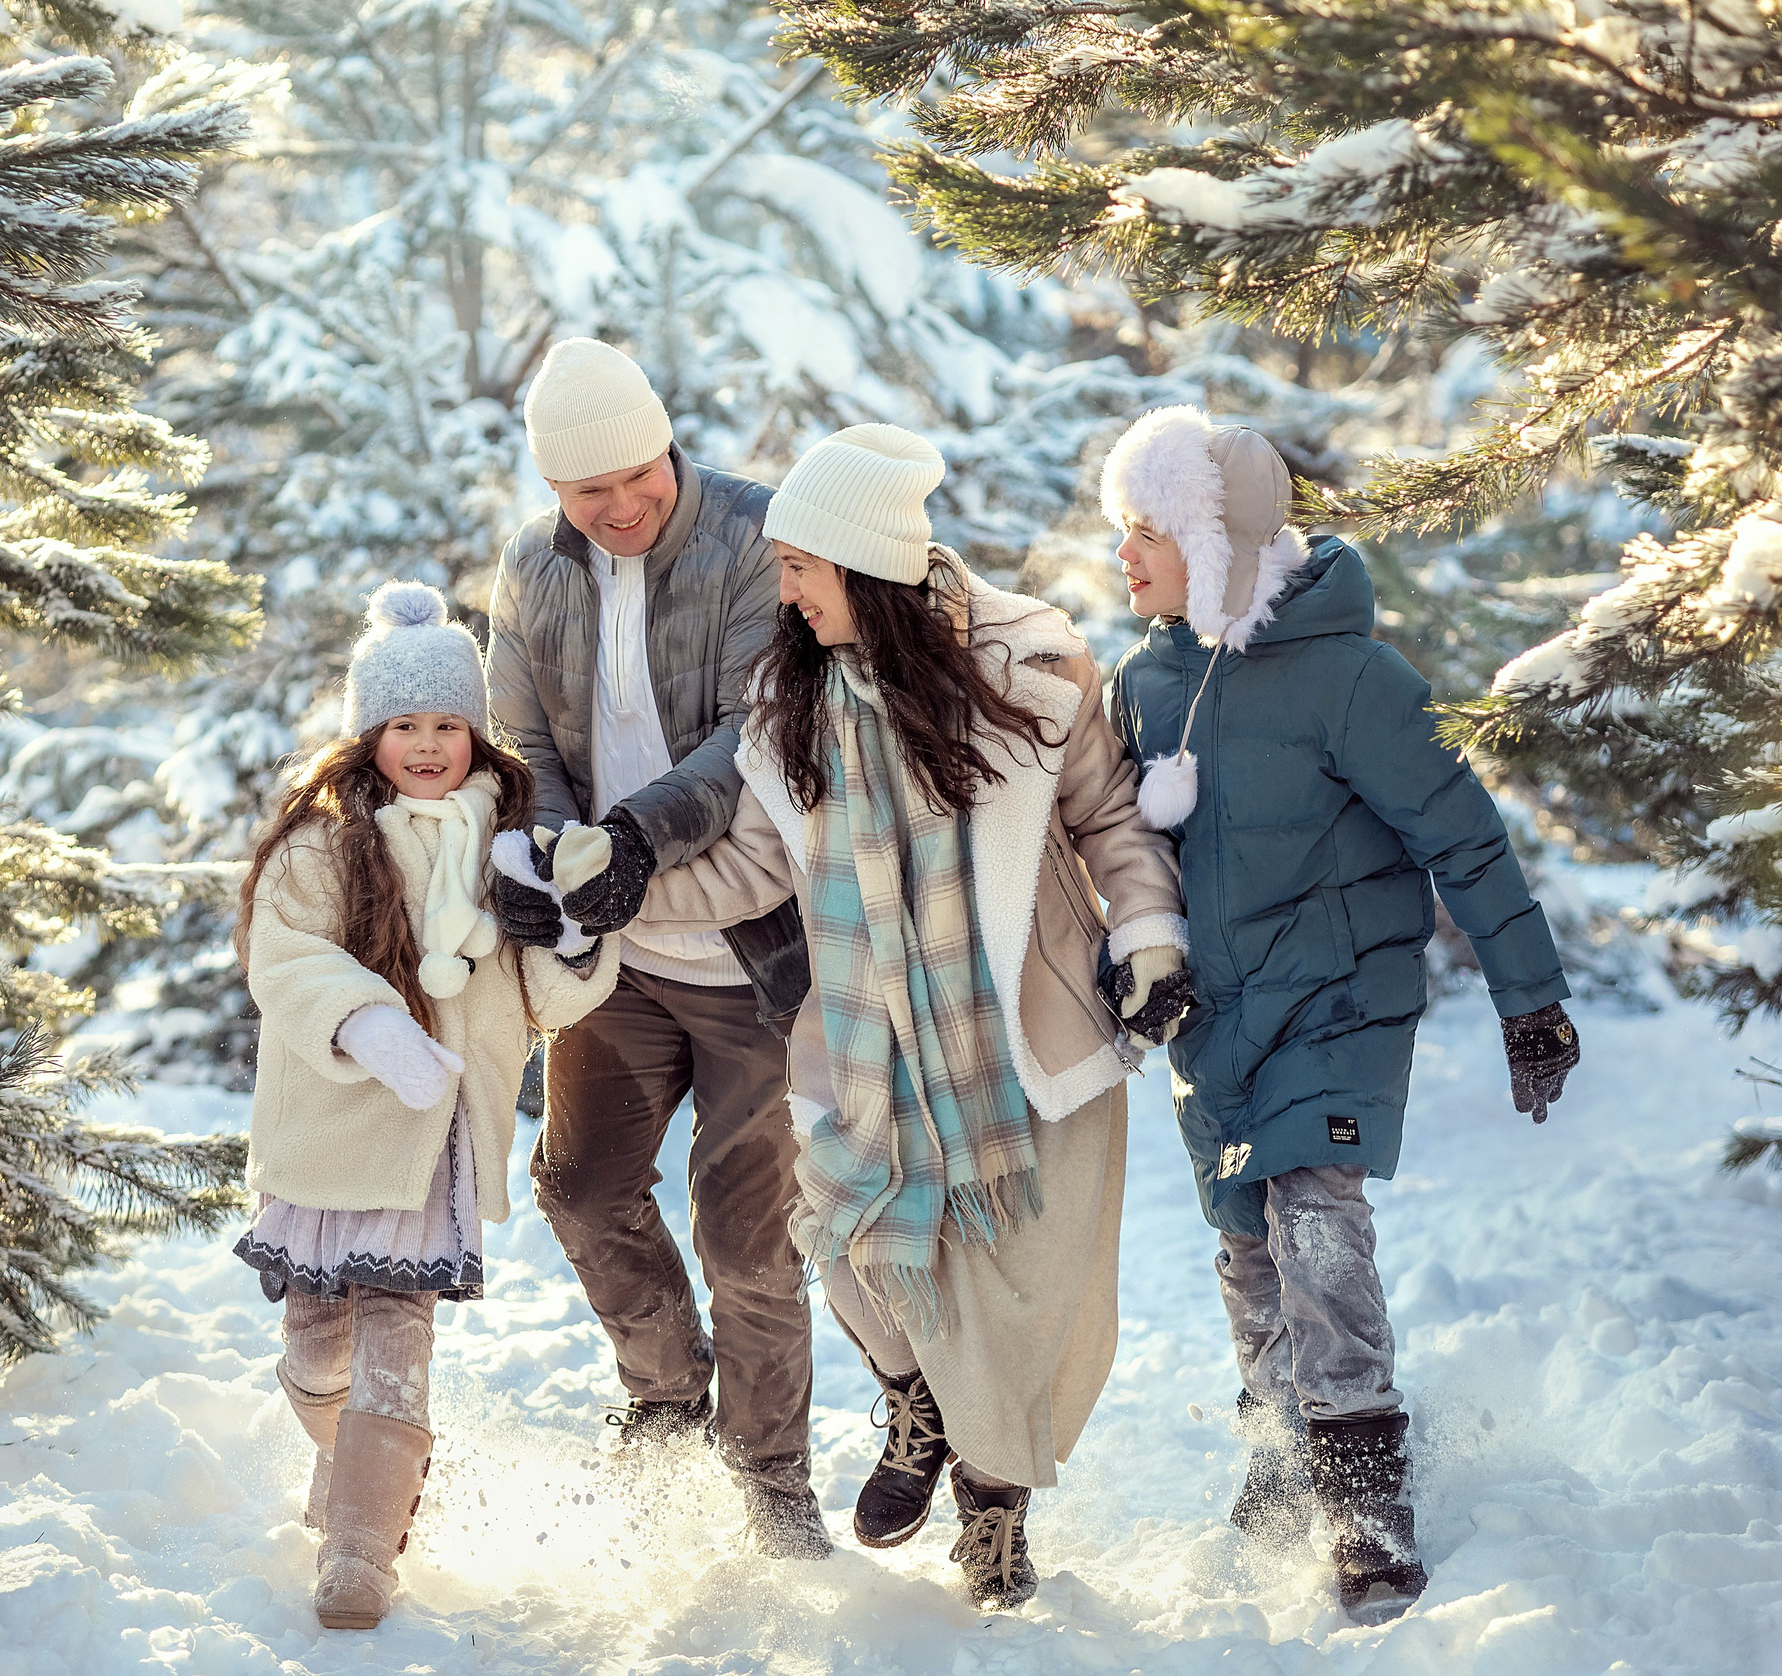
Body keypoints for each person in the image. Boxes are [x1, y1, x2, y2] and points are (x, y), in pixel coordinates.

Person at [630, 424, 1195, 1607]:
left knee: (1020, 1295)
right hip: (863, 1037)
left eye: (801, 567)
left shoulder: (1029, 669)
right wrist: (614, 897)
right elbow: (749, 869)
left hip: (1024, 1034)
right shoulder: (792, 698)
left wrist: (1147, 937)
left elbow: (1109, 825)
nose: (782, 589)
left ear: (863, 565)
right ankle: (914, 1401)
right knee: (846, 1254)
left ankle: (993, 1515)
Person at [1099, 406, 1583, 1624]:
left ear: (1218, 547)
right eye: (1123, 531)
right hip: (1214, 1025)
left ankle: (1365, 1499)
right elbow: (1107, 855)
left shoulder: (1353, 677)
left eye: (1148, 532)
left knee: (1314, 1222)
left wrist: (1530, 1002)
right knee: (1249, 1251)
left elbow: (1462, 838)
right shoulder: (1144, 682)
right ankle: (1279, 1456)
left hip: (1336, 1002)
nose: (1124, 556)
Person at [483, 339, 826, 1554]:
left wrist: (637, 836)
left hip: (750, 956)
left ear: (666, 444)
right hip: (617, 965)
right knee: (579, 1189)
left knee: (749, 1238)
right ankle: (667, 1398)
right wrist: (549, 861)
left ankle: (774, 1482)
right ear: (554, 494)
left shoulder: (749, 538)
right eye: (590, 492)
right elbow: (520, 746)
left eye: (638, 474)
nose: (623, 506)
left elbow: (755, 730)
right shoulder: (532, 569)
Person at [232, 582, 618, 1631]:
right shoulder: (323, 844)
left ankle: (360, 1549)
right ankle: (356, 1469)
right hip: (336, 1124)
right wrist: (370, 1023)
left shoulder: (508, 847)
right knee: (318, 1341)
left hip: (433, 1143)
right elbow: (282, 955)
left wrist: (577, 936)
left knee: (397, 1336)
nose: (429, 744)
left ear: (475, 735)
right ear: (372, 735)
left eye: (447, 724)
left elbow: (544, 995)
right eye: (406, 725)